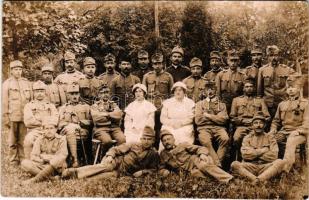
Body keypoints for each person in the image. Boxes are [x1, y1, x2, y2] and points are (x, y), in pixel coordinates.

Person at [62, 126, 159, 180]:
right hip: (115, 161)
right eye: (144, 139)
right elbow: (115, 149)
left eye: (149, 139)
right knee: (106, 167)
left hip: (122, 172)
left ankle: (77, 178)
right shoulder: (133, 144)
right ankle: (74, 172)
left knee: (103, 177)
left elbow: (154, 169)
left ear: (153, 141)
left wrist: (142, 172)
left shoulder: (153, 154)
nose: (146, 141)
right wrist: (109, 156)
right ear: (141, 139)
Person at [159, 130, 233, 183]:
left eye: (168, 139)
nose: (166, 142)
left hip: (197, 161)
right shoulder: (163, 154)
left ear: (173, 139)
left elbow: (201, 148)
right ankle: (219, 180)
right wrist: (164, 172)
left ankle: (230, 179)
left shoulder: (182, 145)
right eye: (164, 141)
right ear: (162, 143)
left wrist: (202, 154)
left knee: (203, 166)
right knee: (195, 174)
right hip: (189, 171)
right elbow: (161, 167)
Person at [231, 112, 286, 184]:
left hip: (266, 166)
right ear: (252, 125)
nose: (258, 125)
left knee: (280, 162)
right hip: (250, 166)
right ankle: (260, 180)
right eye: (256, 123)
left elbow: (273, 156)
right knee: (234, 164)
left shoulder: (270, 138)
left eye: (261, 123)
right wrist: (264, 150)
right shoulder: (247, 138)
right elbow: (245, 155)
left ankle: (256, 180)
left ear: (265, 125)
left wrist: (253, 152)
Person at [269, 74, 308, 171]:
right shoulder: (282, 104)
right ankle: (271, 168)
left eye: (293, 87)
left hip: (300, 133)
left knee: (291, 141)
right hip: (284, 131)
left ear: (299, 89)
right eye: (289, 87)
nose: (290, 89)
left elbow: (307, 122)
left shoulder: (306, 103)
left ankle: (285, 170)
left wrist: (298, 131)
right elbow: (276, 121)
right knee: (270, 140)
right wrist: (273, 129)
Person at [230, 78, 270, 160]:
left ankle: (254, 159)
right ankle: (240, 158)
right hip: (241, 126)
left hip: (256, 126)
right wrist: (243, 121)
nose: (249, 88)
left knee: (257, 139)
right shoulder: (236, 100)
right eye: (247, 87)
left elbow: (267, 117)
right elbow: (232, 117)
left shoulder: (260, 100)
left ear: (254, 88)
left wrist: (255, 121)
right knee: (236, 138)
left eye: (251, 86)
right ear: (243, 88)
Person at [2, 60, 32, 166]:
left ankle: (23, 158)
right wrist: (5, 116)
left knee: (23, 139)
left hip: (24, 116)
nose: (18, 72)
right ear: (11, 71)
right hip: (12, 116)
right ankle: (14, 160)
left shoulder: (26, 83)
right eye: (16, 69)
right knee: (12, 140)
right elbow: (4, 102)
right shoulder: (7, 84)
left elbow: (31, 100)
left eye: (20, 69)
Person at [21, 119, 68, 184]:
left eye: (51, 128)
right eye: (47, 128)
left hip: (56, 167)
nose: (49, 131)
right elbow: (33, 156)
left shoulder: (62, 139)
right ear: (43, 130)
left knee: (57, 161)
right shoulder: (39, 139)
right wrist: (42, 160)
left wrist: (45, 157)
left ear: (56, 129)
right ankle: (52, 178)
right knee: (25, 163)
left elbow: (62, 155)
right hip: (42, 165)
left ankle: (36, 179)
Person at [142, 52, 174, 148]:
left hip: (163, 108)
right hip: (150, 108)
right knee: (150, 129)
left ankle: (162, 149)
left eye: (159, 63)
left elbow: (172, 94)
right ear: (152, 64)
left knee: (162, 130)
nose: (157, 66)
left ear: (163, 64)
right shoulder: (147, 76)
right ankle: (150, 149)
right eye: (155, 64)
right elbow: (143, 93)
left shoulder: (168, 76)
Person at [195, 80, 229, 167]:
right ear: (204, 92)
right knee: (205, 141)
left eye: (212, 89)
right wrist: (217, 117)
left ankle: (215, 165)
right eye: (207, 89)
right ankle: (217, 164)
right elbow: (198, 120)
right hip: (204, 128)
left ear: (216, 91)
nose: (210, 91)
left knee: (225, 139)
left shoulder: (222, 105)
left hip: (219, 128)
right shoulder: (199, 104)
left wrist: (208, 116)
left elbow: (224, 120)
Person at [58, 84, 92, 167]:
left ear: (79, 95)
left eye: (76, 94)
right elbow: (59, 123)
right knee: (70, 130)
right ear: (68, 95)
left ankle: (73, 159)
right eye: (72, 94)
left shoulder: (86, 107)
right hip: (66, 131)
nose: (74, 96)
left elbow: (91, 122)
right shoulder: (63, 108)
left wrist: (80, 123)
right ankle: (74, 160)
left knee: (72, 131)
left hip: (82, 132)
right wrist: (69, 124)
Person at [23, 81, 59, 159]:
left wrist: (41, 121)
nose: (39, 93)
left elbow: (55, 119)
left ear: (45, 92)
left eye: (41, 91)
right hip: (35, 131)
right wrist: (46, 122)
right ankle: (29, 162)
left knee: (61, 140)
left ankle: (56, 162)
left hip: (50, 130)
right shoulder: (29, 106)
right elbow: (28, 122)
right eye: (37, 91)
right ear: (33, 93)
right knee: (28, 140)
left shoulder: (51, 106)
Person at [257, 45, 295, 118]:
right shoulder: (262, 70)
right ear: (267, 56)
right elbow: (259, 91)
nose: (273, 58)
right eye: (271, 55)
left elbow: (292, 87)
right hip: (268, 105)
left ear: (279, 56)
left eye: (276, 55)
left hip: (283, 103)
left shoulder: (287, 69)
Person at [91, 85, 125, 152]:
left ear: (109, 94)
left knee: (122, 140)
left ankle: (118, 159)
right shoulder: (95, 106)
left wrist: (107, 115)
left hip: (115, 128)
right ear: (99, 95)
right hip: (101, 129)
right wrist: (112, 117)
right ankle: (104, 158)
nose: (105, 94)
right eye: (102, 93)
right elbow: (96, 119)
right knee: (107, 141)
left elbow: (119, 115)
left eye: (106, 92)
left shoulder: (114, 105)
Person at [216, 49, 245, 114]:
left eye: (235, 61)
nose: (233, 63)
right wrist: (219, 105)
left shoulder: (243, 75)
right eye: (231, 60)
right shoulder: (221, 74)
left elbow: (244, 93)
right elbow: (217, 93)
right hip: (224, 104)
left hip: (238, 104)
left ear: (238, 62)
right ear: (227, 61)